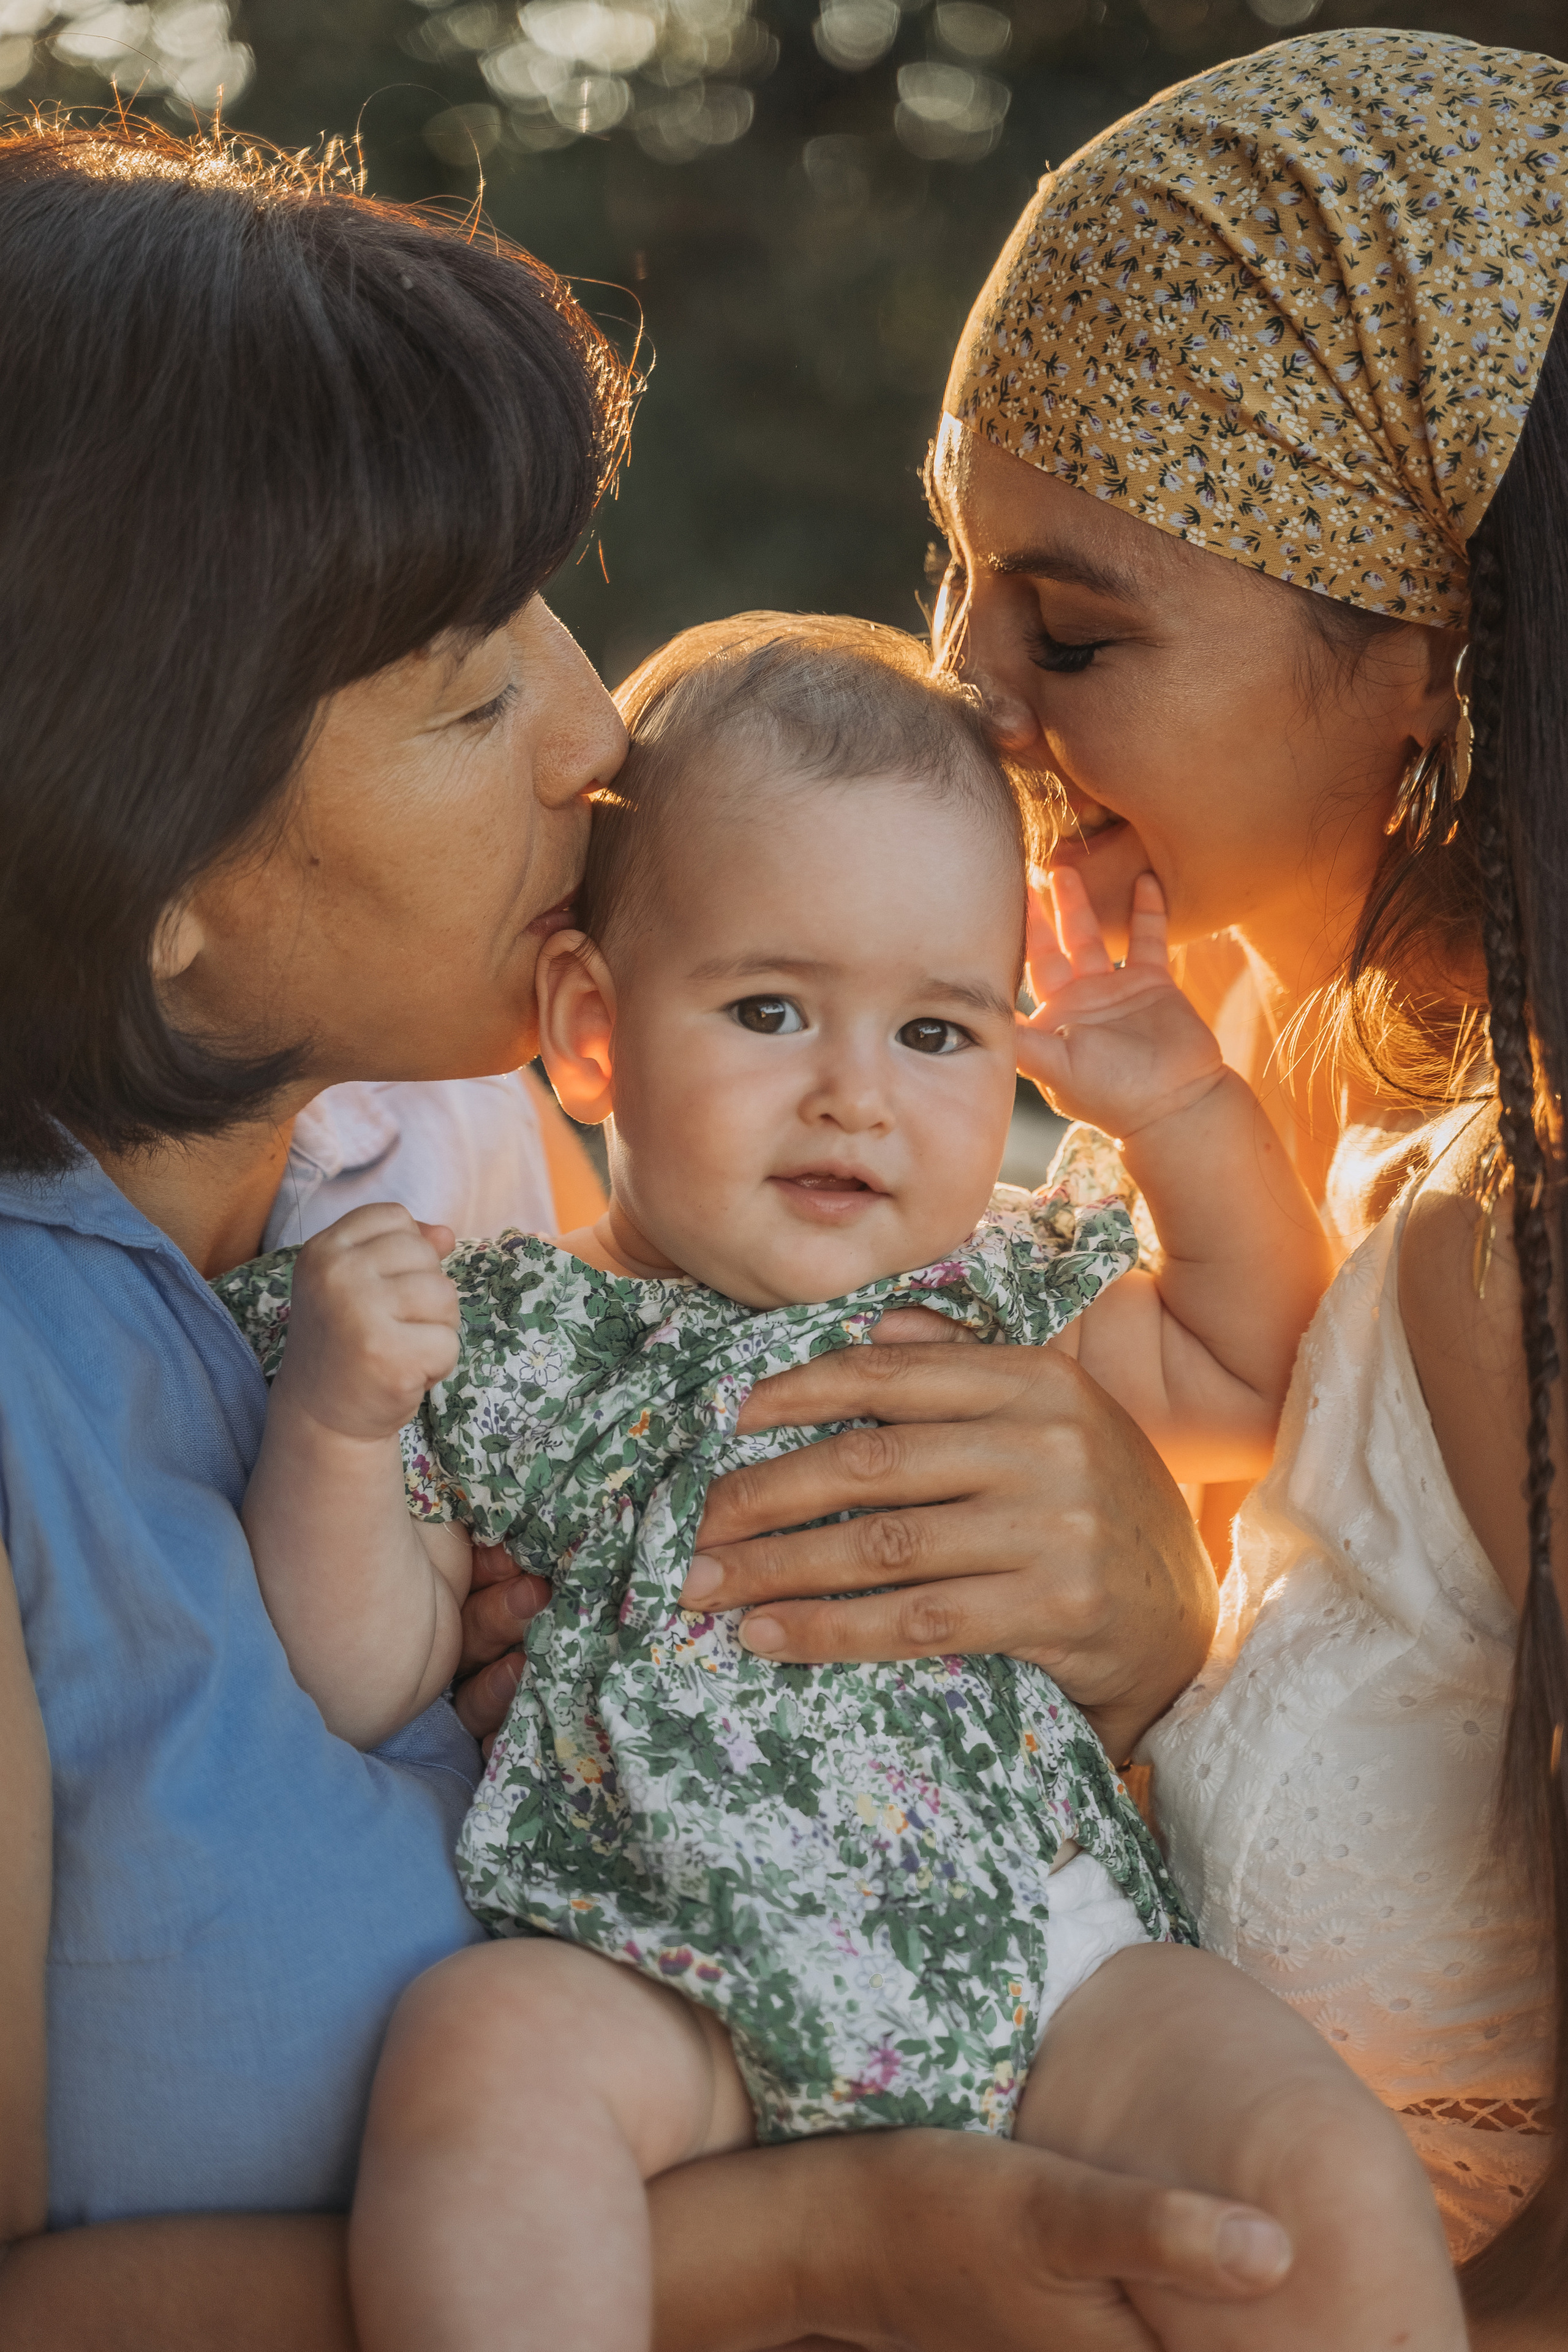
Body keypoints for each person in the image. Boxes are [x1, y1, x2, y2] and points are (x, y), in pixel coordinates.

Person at [0, 115, 1300, 2352]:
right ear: (155, 858)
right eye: (470, 690)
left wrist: (1131, 1581)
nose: (600, 728)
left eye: (553, 621)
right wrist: (833, 2246)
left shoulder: (470, 1173)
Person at [216, 612, 1457, 2352]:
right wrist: (344, 1430)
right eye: (772, 1008)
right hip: (657, 1952)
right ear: (590, 1031)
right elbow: (361, 1670)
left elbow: (1256, 1372)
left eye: (940, 1034)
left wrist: (1179, 1098)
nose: (854, 1098)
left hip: (1049, 1948)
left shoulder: (1004, 1297)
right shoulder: (514, 1336)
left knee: (1309, 2168)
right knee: (482, 2069)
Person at [914, 21, 1568, 2338]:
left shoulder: (1518, 1255)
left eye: (1076, 629)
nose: (966, 685)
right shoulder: (1255, 1128)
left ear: (1433, 654)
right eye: (963, 574)